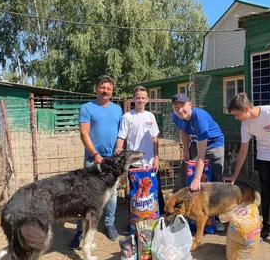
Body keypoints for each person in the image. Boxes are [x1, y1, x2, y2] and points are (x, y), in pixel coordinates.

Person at [224, 92, 270, 253]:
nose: (236, 118)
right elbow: (244, 150)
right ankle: (267, 228)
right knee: (266, 192)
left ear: (245, 109)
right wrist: (234, 176)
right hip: (265, 157)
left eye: (237, 115)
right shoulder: (246, 124)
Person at [68, 75, 123, 250]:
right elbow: (84, 134)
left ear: (112, 91)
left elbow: (121, 133)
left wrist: (119, 151)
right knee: (84, 196)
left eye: (109, 88)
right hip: (93, 159)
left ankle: (109, 223)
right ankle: (79, 232)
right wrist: (96, 154)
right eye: (102, 87)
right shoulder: (87, 108)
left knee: (112, 194)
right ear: (96, 88)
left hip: (112, 159)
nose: (105, 90)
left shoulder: (118, 109)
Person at [171, 92, 225, 231]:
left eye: (182, 106)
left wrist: (197, 179)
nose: (180, 110)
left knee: (216, 180)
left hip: (214, 143)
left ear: (190, 104)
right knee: (189, 173)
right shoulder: (176, 117)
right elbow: (183, 131)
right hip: (196, 142)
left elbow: (201, 154)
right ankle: (194, 213)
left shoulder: (199, 118)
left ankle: (218, 218)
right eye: (176, 107)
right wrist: (186, 150)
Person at [115, 86, 165, 233]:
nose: (140, 100)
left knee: (156, 191)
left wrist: (156, 157)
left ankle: (159, 218)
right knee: (136, 193)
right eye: (138, 98)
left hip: (150, 163)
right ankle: (134, 220)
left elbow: (155, 138)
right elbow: (121, 137)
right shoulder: (127, 117)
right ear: (133, 99)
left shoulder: (151, 116)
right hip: (135, 164)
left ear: (147, 100)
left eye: (143, 98)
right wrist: (119, 149)